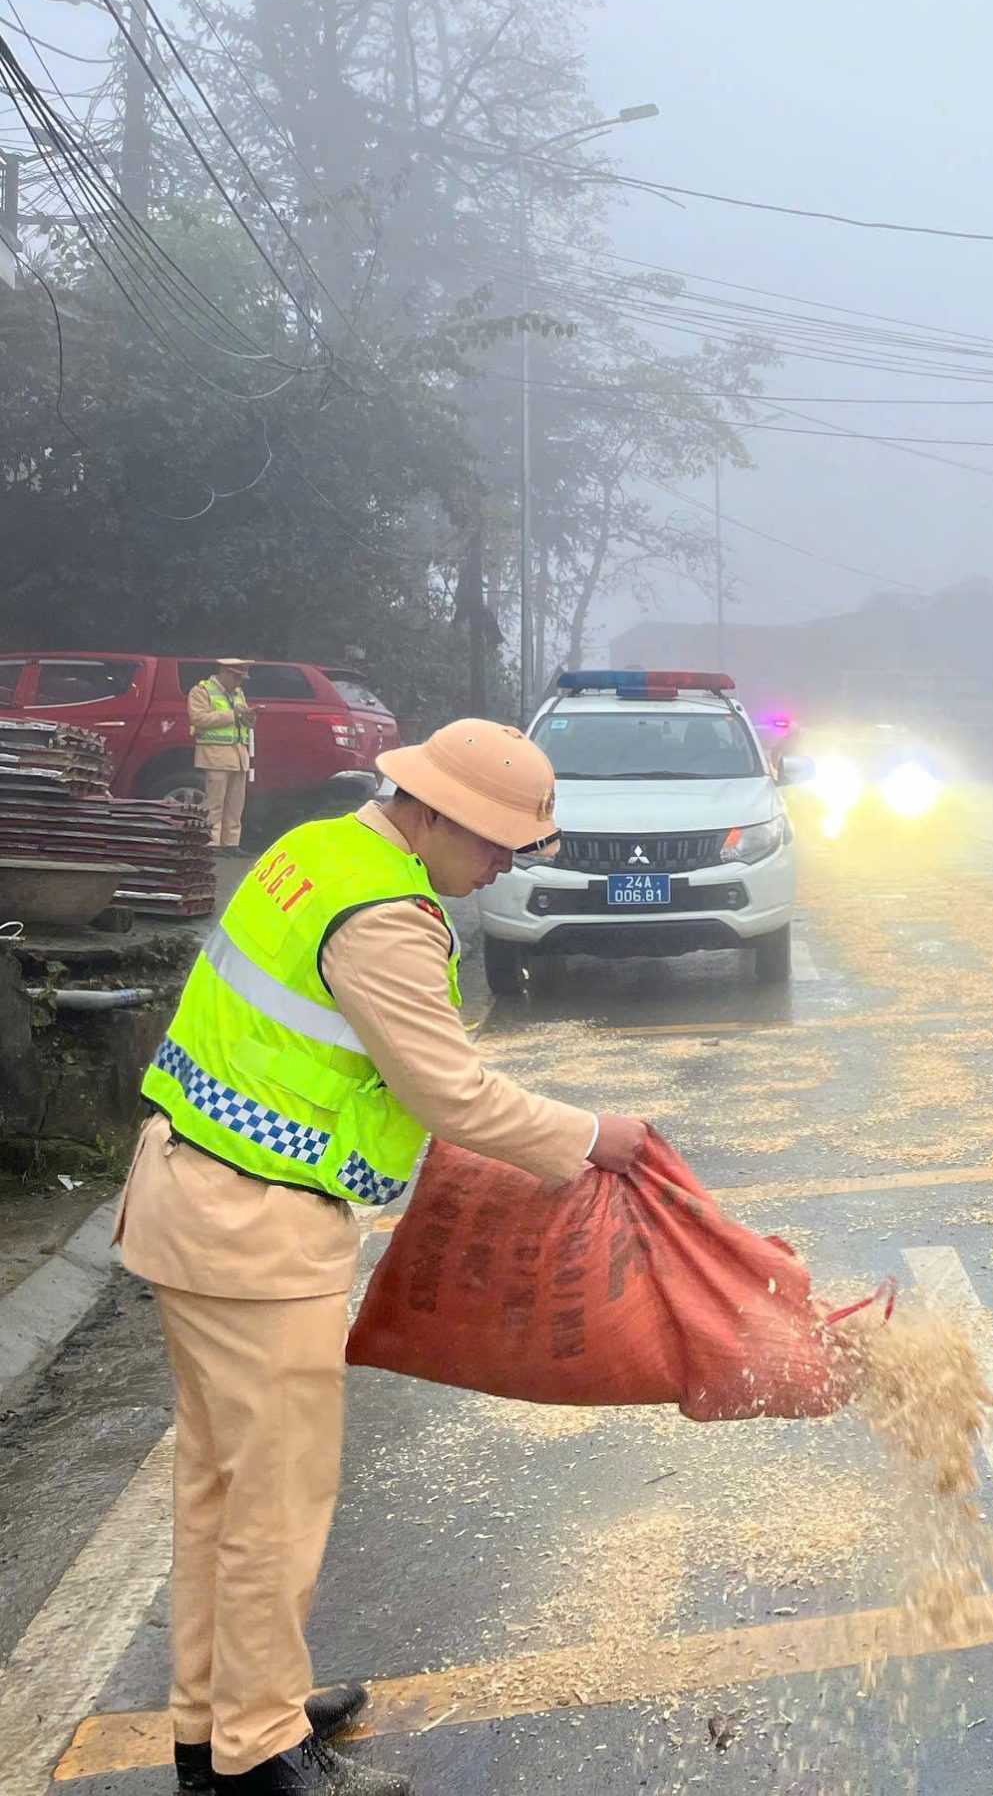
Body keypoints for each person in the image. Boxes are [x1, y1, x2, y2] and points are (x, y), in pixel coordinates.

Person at [117, 719, 654, 1795]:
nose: (503, 863)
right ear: (432, 810)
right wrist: (594, 1136)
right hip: (256, 1232)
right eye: (497, 842)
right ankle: (257, 1758)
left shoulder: (318, 851)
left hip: (189, 1193)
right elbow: (446, 1091)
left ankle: (218, 1720)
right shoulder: (386, 916)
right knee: (273, 1501)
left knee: (220, 1492)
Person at [189, 660, 255, 854]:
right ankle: (211, 843)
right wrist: (233, 715)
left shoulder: (238, 693)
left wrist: (250, 716)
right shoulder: (201, 691)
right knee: (214, 802)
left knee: (236, 804)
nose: (239, 682)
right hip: (215, 754)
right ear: (225, 672)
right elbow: (199, 718)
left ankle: (231, 843)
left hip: (238, 754)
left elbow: (241, 721)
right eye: (236, 677)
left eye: (242, 678)